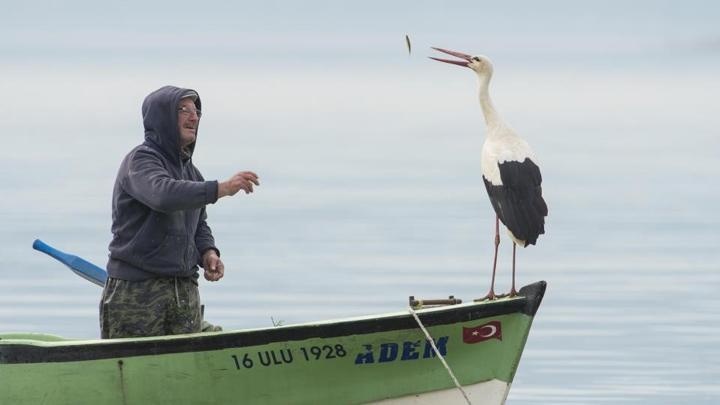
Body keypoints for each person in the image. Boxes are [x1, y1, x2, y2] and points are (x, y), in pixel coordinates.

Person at [100, 85, 259, 339]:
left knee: (187, 371)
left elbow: (198, 225)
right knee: (140, 373)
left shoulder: (192, 174)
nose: (193, 117)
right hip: (138, 292)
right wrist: (222, 188)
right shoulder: (140, 162)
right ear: (161, 118)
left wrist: (208, 252)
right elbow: (163, 195)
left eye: (196, 111)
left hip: (184, 291)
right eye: (182, 110)